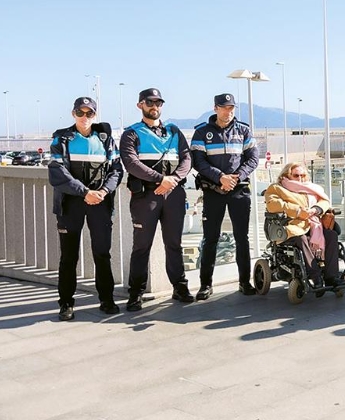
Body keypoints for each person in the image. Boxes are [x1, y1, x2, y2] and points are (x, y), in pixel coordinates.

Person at [48, 97, 124, 320]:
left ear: (95, 115)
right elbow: (57, 173)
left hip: (99, 203)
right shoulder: (62, 139)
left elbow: (116, 170)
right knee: (69, 256)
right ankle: (66, 303)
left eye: (89, 113)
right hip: (71, 204)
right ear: (73, 114)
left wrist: (102, 192)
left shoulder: (105, 139)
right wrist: (85, 193)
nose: (84, 117)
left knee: (102, 254)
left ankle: (107, 300)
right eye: (80, 113)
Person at [119, 88, 192, 311]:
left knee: (174, 244)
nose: (155, 106)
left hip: (173, 194)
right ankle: (136, 293)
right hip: (146, 197)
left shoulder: (173, 131)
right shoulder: (131, 134)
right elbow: (131, 163)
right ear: (140, 105)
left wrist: (174, 179)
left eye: (158, 103)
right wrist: (162, 179)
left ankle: (179, 287)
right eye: (150, 102)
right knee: (142, 246)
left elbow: (186, 158)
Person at [190, 93, 259, 299]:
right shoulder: (202, 133)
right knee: (210, 239)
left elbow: (253, 158)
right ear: (215, 108)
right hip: (213, 192)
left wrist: (236, 177)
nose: (228, 112)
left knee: (242, 239)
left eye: (231, 108)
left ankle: (244, 282)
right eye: (224, 108)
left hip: (239, 191)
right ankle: (205, 285)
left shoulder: (244, 130)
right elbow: (198, 161)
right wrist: (220, 178)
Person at [264, 163, 342, 288]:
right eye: (296, 175)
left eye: (303, 175)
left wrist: (316, 209)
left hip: (314, 225)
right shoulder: (276, 188)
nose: (300, 178)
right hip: (290, 225)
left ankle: (332, 277)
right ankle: (315, 276)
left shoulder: (312, 188)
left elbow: (324, 201)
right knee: (301, 237)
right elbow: (273, 204)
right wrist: (298, 211)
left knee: (331, 235)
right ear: (286, 175)